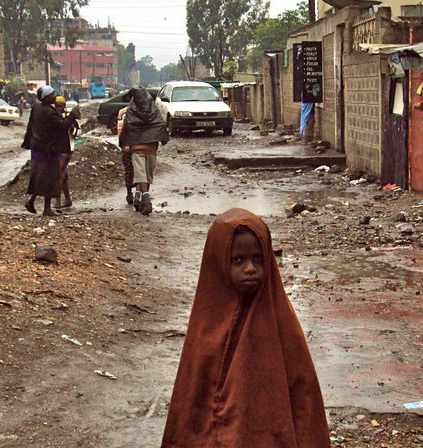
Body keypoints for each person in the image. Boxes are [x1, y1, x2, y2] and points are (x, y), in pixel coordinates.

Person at [161, 208, 330, 448]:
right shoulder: (205, 328)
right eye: (238, 260)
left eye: (258, 259)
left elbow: (304, 400)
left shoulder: (281, 324)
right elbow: (192, 410)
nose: (250, 268)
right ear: (218, 262)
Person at [21, 86, 78, 216]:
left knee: (39, 176)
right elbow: (62, 126)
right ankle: (47, 209)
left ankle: (32, 201)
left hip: (37, 148)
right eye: (52, 94)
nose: (55, 96)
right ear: (46, 98)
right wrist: (72, 116)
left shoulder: (37, 109)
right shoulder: (48, 112)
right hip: (48, 150)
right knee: (51, 178)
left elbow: (30, 127)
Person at [117, 86, 168, 215]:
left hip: (137, 147)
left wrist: (123, 143)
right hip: (151, 147)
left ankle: (144, 198)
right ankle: (143, 198)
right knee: (148, 175)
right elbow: (160, 124)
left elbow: (127, 128)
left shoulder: (131, 110)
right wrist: (163, 139)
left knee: (140, 175)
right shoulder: (153, 109)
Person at [52, 95, 80, 210]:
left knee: (58, 175)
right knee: (63, 176)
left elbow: (75, 131)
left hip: (66, 149)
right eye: (57, 106)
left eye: (60, 106)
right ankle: (67, 200)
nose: (59, 108)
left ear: (64, 106)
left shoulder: (66, 119)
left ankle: (58, 201)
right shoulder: (58, 117)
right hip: (62, 149)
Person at [116, 91, 135, 205]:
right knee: (130, 170)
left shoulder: (140, 112)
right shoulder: (123, 113)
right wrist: (123, 145)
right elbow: (120, 130)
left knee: (133, 170)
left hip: (136, 145)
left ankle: (134, 192)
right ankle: (130, 192)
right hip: (130, 146)